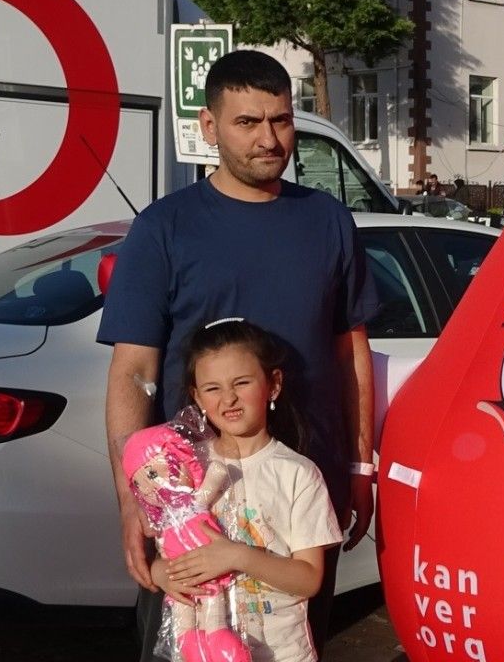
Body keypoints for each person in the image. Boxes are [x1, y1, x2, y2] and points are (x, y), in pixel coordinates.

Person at [99, 49, 378, 661]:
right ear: (210, 126)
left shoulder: (328, 222)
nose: (268, 139)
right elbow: (134, 372)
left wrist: (359, 468)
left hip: (301, 489)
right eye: (247, 122)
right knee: (191, 645)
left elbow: (351, 354)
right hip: (191, 499)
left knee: (290, 645)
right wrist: (133, 501)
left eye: (280, 120)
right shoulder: (165, 228)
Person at [155, 318, 343, 662]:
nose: (229, 398)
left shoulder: (298, 474)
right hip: (203, 653)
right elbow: (163, 557)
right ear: (197, 396)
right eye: (212, 388)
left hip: (282, 654)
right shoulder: (185, 469)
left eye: (241, 382)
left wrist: (236, 556)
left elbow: (309, 578)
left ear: (273, 384)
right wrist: (165, 577)